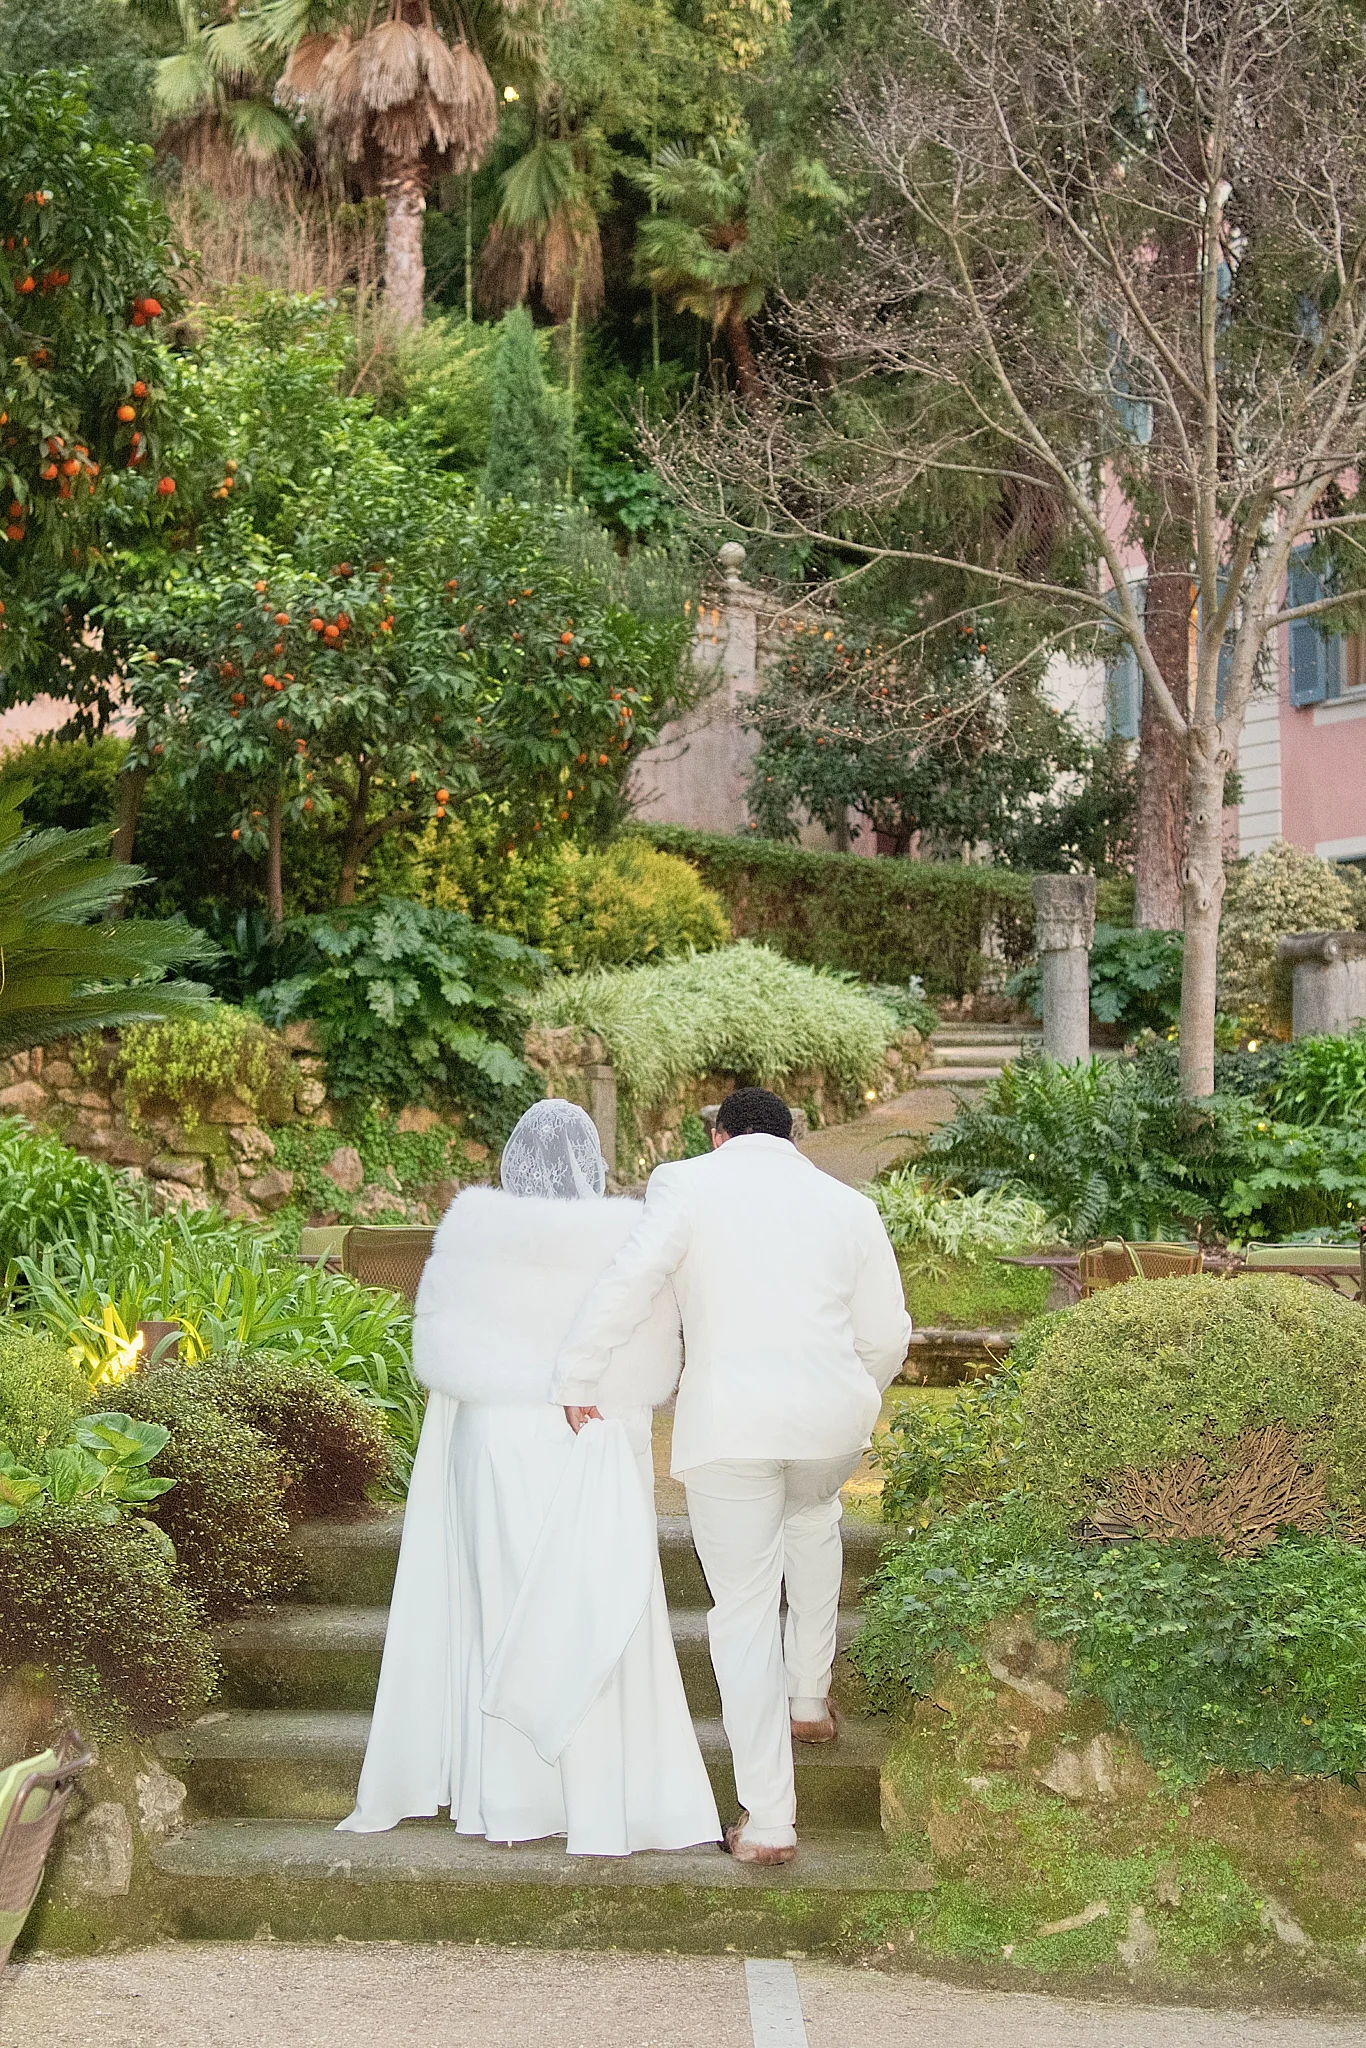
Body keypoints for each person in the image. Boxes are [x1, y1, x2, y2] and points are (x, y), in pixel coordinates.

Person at [339, 1099, 720, 1857]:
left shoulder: (471, 1232)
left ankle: (509, 1803)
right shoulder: (627, 1237)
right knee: (596, 1601)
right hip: (594, 1439)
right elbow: (652, 1360)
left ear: (512, 1159)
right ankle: (606, 1802)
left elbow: (440, 1352)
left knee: (503, 1605)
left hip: (494, 1440)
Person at [552, 1086, 911, 1866]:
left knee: (744, 1608)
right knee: (814, 1517)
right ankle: (809, 1699)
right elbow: (887, 1333)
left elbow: (634, 1277)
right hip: (831, 1421)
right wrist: (854, 1391)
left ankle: (771, 1817)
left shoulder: (687, 1181)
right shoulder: (848, 1205)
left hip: (732, 1424)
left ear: (718, 1135)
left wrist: (579, 1370)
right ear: (792, 1137)